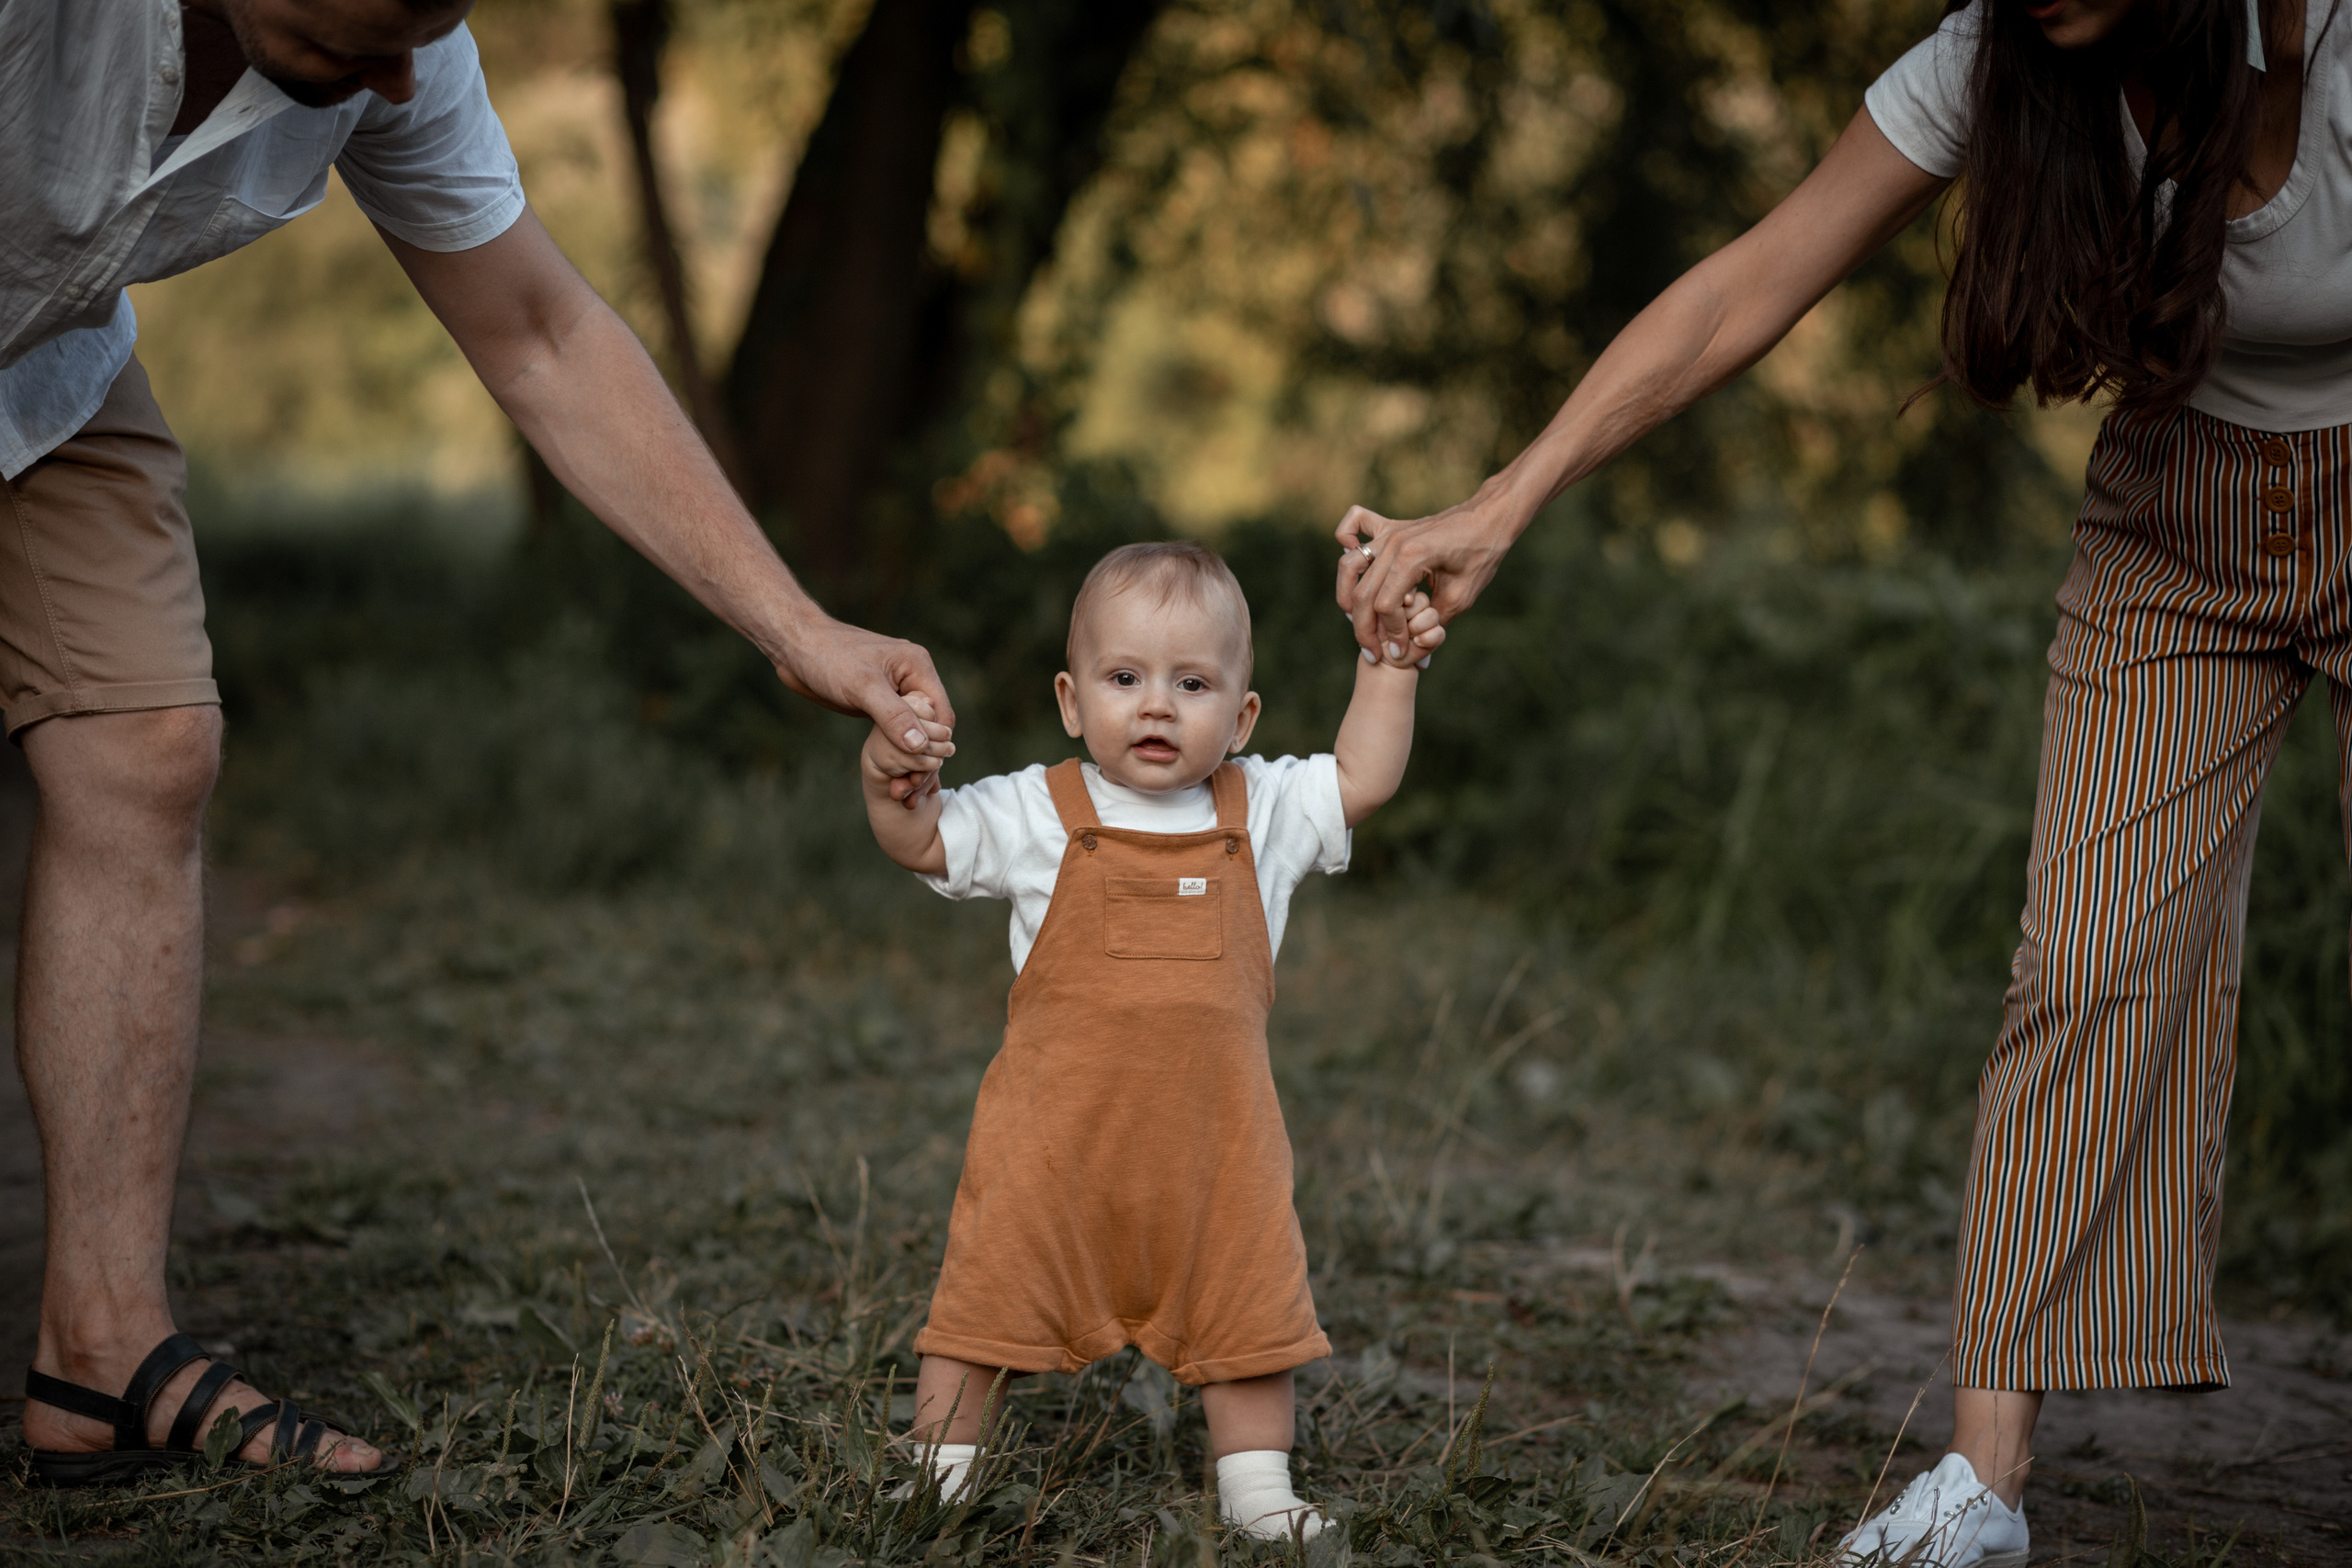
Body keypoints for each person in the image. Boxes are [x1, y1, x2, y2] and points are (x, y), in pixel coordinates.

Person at [1335, 0, 2340, 1561]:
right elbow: (1747, 284)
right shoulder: (2003, 56)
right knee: (2080, 962)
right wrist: (1501, 501)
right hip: (2177, 519)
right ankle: (1984, 1491)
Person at [6, 0, 955, 1484]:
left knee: (145, 744)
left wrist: (799, 628)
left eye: (422, 30)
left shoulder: (399, 47)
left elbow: (541, 330)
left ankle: (101, 1345)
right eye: (362, 36)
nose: (395, 79)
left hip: (36, 373)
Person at [855, 541, 1442, 1540]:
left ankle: (1256, 1485)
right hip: (1052, 1143)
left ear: (1243, 715)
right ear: (1072, 702)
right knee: (989, 1291)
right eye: (1124, 679)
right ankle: (942, 1463)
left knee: (1248, 1306)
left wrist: (1387, 668)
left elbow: (1362, 779)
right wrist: (889, 781)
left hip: (1218, 1150)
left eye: (1192, 683)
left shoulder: (1263, 810)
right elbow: (924, 840)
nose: (1158, 706)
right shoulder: (1037, 811)